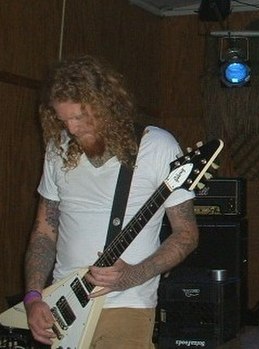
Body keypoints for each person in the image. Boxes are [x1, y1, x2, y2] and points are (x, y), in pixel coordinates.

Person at [23, 55, 200, 348]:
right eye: (63, 119)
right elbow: (44, 231)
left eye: (79, 117)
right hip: (61, 307)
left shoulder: (156, 147)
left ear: (105, 105)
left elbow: (187, 234)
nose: (72, 129)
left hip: (126, 306)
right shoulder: (58, 149)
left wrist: (133, 275)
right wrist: (33, 297)